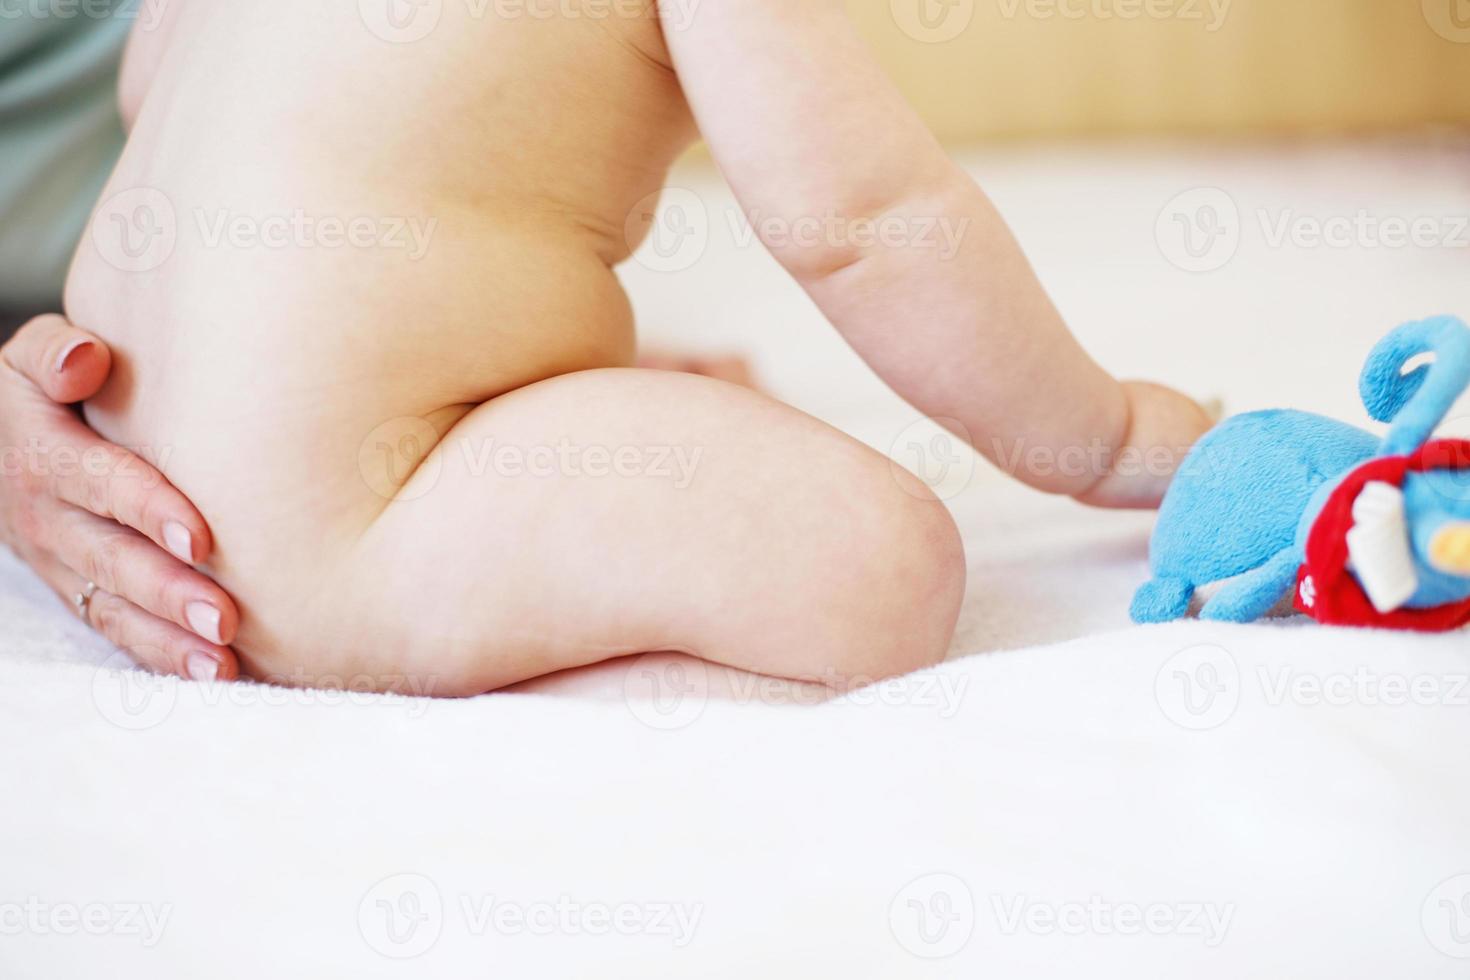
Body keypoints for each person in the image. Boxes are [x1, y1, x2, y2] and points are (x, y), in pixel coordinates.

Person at [11, 0, 1210, 694]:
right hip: (330, 521)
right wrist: (1090, 432)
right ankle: (481, 663)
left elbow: (149, 98)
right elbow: (864, 223)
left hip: (126, 458)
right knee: (881, 561)